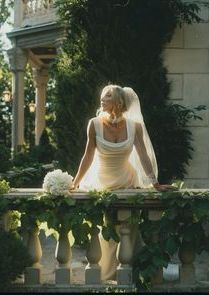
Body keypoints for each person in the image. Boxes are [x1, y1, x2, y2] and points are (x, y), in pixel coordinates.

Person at [70, 84, 177, 281]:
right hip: (103, 181)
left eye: (108, 96)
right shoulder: (94, 124)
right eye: (102, 95)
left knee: (130, 225)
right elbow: (88, 156)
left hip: (127, 180)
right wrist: (75, 183)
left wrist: (155, 183)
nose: (102, 98)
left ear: (119, 101)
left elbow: (143, 156)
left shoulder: (134, 126)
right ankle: (106, 269)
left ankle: (133, 267)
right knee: (107, 227)